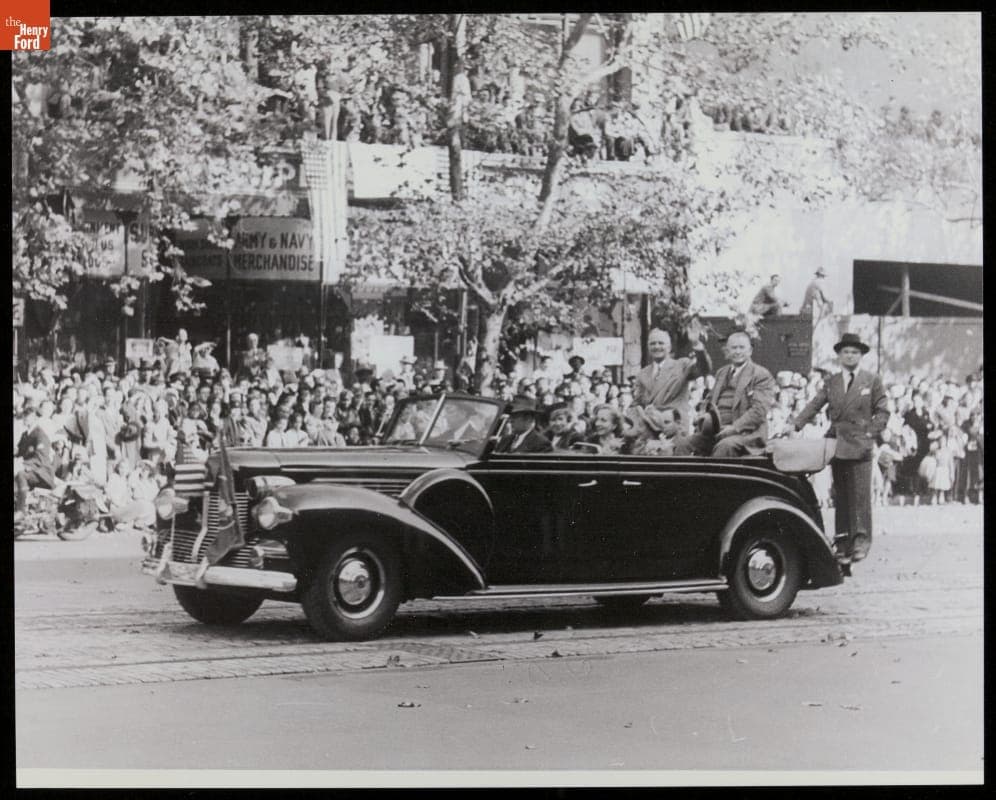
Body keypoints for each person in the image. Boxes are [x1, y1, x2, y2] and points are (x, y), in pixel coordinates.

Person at [790, 332, 888, 573]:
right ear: (839, 355)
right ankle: (843, 542)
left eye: (855, 352)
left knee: (860, 497)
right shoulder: (832, 381)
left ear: (861, 355)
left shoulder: (871, 380)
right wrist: (794, 424)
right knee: (841, 496)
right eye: (846, 352)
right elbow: (815, 404)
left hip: (861, 446)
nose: (850, 355)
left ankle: (861, 542)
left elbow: (883, 411)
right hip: (838, 445)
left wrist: (869, 435)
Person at [685, 331, 776, 457]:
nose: (738, 352)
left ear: (750, 351)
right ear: (727, 351)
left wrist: (734, 428)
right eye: (734, 348)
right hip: (716, 431)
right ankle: (683, 477)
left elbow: (759, 411)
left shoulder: (760, 375)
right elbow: (709, 400)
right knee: (684, 444)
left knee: (725, 446)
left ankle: (712, 477)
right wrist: (702, 414)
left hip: (747, 434)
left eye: (741, 347)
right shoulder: (722, 372)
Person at [633, 325, 712, 432]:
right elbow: (637, 403)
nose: (656, 347)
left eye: (661, 343)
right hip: (650, 427)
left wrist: (696, 344)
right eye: (652, 343)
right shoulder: (643, 373)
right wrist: (642, 416)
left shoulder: (682, 365)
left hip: (675, 426)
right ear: (648, 347)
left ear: (669, 347)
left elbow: (704, 368)